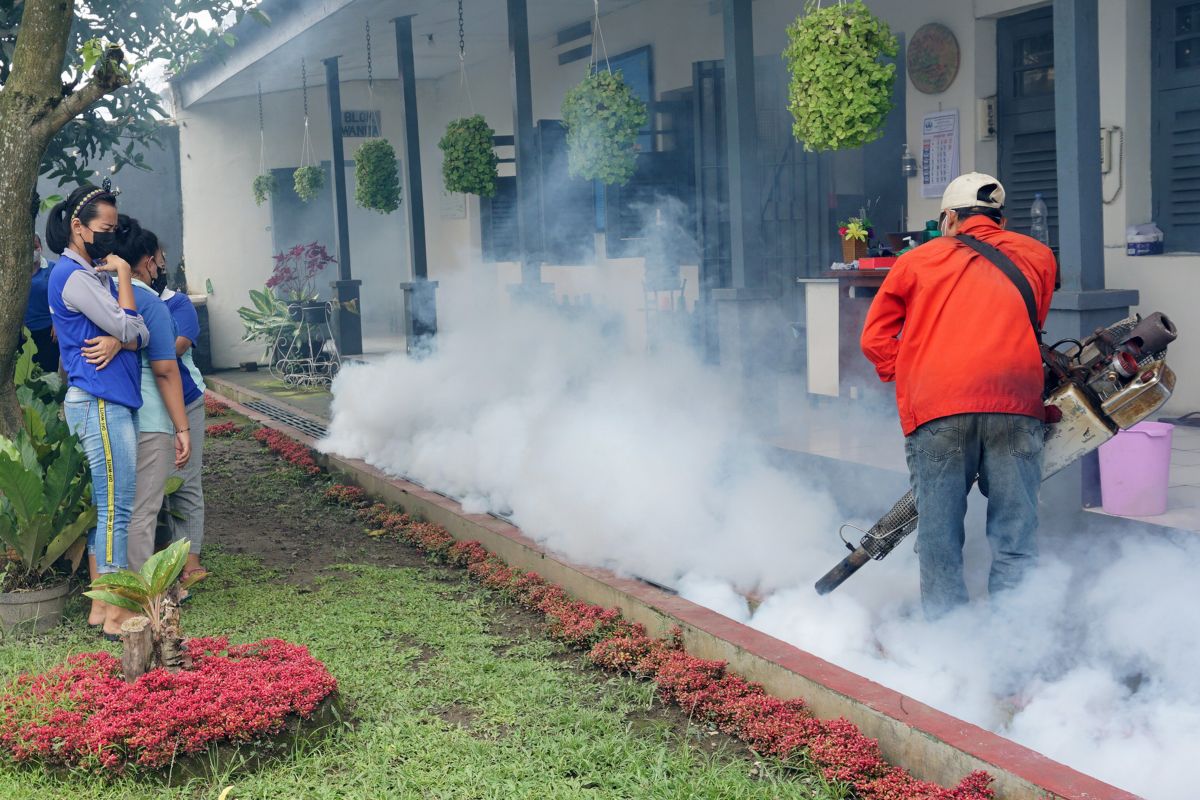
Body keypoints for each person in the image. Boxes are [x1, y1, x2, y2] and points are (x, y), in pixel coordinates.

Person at [860, 173, 1057, 620]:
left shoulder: (916, 261)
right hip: (1016, 401)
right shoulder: (1039, 256)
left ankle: (950, 649)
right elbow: (1032, 320)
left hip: (938, 408)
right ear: (1000, 220)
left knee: (939, 536)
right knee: (1015, 535)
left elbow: (875, 338)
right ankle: (1013, 649)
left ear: (949, 217)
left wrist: (906, 366)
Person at [46, 185, 149, 637]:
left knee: (113, 506)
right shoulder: (76, 277)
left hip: (107, 399)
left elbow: (136, 334)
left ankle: (99, 609)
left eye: (115, 229)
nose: (111, 238)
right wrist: (126, 276)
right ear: (77, 227)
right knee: (117, 508)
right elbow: (132, 324)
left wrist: (122, 337)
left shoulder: (92, 274)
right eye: (104, 230)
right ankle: (115, 610)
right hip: (99, 401)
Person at [92, 216, 191, 574]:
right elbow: (165, 371)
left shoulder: (100, 295)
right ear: (147, 261)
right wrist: (182, 428)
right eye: (158, 260)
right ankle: (137, 597)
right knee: (142, 512)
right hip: (149, 421)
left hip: (107, 417)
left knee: (111, 510)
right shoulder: (152, 305)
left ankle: (106, 596)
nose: (160, 267)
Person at [160, 278, 208, 585]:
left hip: (187, 399)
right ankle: (163, 551)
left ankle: (191, 558)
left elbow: (178, 347)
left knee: (185, 477)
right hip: (146, 405)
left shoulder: (177, 303)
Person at [24, 234, 59, 374]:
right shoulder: (14, 273)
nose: (33, 251)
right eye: (28, 248)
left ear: (41, 248)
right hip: (22, 333)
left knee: (47, 373)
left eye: (35, 247)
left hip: (48, 331)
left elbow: (62, 298)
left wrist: (57, 322)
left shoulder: (52, 269)